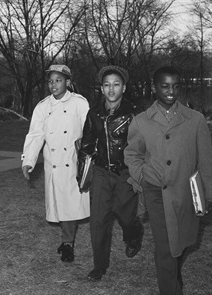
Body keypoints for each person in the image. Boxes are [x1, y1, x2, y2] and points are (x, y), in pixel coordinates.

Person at [124, 65, 212, 294]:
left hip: (187, 193)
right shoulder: (141, 121)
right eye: (165, 86)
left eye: (175, 86)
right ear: (154, 88)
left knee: (181, 243)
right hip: (156, 192)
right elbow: (132, 154)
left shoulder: (196, 120)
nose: (171, 91)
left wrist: (208, 195)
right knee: (165, 248)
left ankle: (174, 277)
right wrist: (142, 176)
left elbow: (206, 161)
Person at [78, 65, 144, 281]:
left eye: (116, 84)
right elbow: (87, 146)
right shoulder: (94, 113)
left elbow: (142, 145)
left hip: (126, 172)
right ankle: (99, 265)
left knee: (125, 215)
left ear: (123, 88)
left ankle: (134, 235)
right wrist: (83, 173)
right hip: (101, 172)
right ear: (101, 88)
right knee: (98, 220)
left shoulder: (134, 113)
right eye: (107, 85)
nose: (111, 89)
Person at [22, 64, 90, 262]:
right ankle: (67, 240)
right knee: (60, 206)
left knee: (70, 205)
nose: (53, 85)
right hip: (53, 162)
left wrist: (88, 154)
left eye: (58, 80)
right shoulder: (43, 107)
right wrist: (28, 161)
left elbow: (89, 129)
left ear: (68, 83)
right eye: (51, 81)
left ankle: (68, 243)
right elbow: (35, 135)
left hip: (73, 161)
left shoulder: (80, 103)